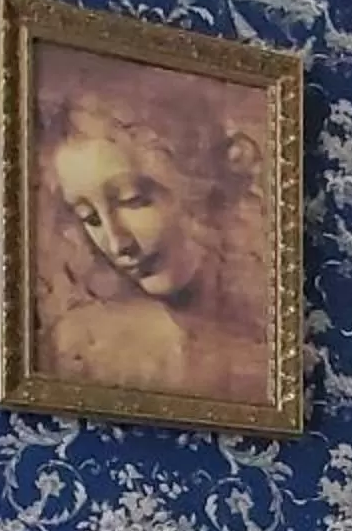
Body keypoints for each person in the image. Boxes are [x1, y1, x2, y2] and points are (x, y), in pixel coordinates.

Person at [33, 66, 272, 405]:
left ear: (199, 184)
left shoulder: (273, 344)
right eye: (89, 218)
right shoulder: (84, 348)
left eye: (133, 200)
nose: (117, 244)